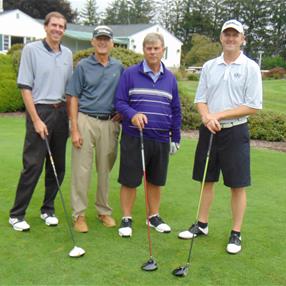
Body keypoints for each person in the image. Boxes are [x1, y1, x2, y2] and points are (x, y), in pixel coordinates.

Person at [178, 19, 263, 254]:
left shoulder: (250, 67)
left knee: (237, 184)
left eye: (235, 35)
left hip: (235, 131)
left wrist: (218, 115)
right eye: (227, 34)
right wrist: (207, 117)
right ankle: (202, 224)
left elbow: (253, 106)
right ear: (221, 37)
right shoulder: (209, 66)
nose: (231, 38)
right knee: (207, 179)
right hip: (210, 130)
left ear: (243, 39)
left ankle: (236, 233)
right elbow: (200, 99)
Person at [9, 12, 73, 231]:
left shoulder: (67, 54)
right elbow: (25, 87)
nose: (57, 29)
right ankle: (17, 214)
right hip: (40, 111)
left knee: (58, 167)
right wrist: (36, 119)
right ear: (45, 27)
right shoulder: (31, 50)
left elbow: (69, 90)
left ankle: (48, 209)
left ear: (64, 30)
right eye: (54, 25)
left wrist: (71, 119)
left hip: (61, 112)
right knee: (33, 165)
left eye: (61, 26)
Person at [115, 32, 181, 237]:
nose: (152, 52)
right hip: (134, 136)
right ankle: (126, 218)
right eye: (149, 48)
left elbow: (176, 109)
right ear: (143, 50)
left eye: (156, 48)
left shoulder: (170, 78)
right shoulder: (130, 74)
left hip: (161, 138)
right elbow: (119, 102)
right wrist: (132, 114)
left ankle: (153, 216)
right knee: (130, 180)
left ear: (163, 50)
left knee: (155, 180)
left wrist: (176, 138)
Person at [66, 25, 124, 233]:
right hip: (85, 120)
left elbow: (125, 95)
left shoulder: (119, 67)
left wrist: (123, 113)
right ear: (92, 42)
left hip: (110, 123)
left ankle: (103, 211)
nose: (102, 42)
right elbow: (73, 97)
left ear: (112, 43)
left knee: (104, 170)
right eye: (98, 38)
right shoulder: (83, 66)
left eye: (106, 39)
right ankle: (79, 215)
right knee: (81, 170)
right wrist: (74, 129)